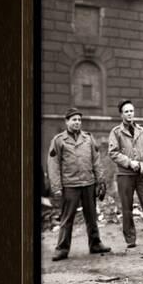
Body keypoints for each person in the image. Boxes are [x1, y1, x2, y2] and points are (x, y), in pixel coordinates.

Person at [47, 108, 111, 261]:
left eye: (79, 120)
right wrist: (56, 187)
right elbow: (53, 165)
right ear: (67, 121)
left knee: (91, 216)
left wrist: (100, 180)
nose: (77, 122)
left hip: (88, 182)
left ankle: (95, 243)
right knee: (67, 217)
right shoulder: (59, 140)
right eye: (74, 120)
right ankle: (62, 249)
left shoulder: (88, 138)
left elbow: (96, 160)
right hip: (70, 184)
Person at [108, 100, 143, 248]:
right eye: (126, 111)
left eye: (131, 111)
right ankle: (130, 239)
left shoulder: (142, 130)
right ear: (121, 114)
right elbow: (113, 152)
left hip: (141, 174)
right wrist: (130, 163)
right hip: (125, 175)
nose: (130, 114)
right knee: (127, 208)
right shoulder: (116, 132)